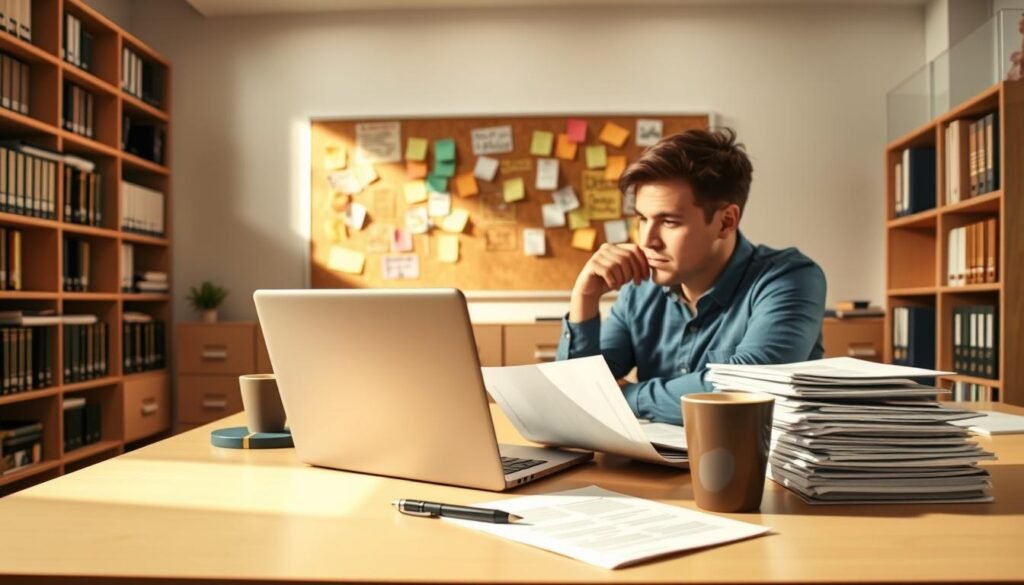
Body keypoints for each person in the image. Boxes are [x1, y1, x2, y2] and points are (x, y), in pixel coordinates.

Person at [556, 128, 826, 424]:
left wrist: (623, 398)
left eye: (669, 222)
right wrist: (584, 296)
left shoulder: (789, 278)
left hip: (758, 466)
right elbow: (576, 395)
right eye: (642, 219)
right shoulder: (640, 288)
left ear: (726, 222)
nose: (647, 241)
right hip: (651, 466)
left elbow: (747, 389)